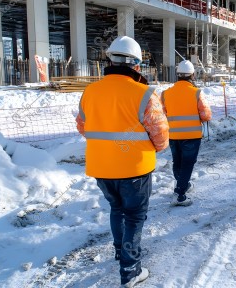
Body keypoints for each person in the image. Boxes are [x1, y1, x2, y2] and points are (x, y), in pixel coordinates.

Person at [75, 36, 169, 288]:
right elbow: (160, 134)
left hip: (101, 167)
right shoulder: (145, 93)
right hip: (134, 169)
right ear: (136, 65)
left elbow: (83, 127)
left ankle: (120, 251)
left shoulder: (90, 91)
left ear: (110, 61)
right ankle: (130, 269)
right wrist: (152, 147)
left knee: (116, 210)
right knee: (135, 216)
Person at [161, 60, 212, 206]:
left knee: (178, 162)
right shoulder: (196, 93)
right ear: (193, 75)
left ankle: (183, 185)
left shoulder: (165, 94)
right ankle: (180, 193)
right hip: (192, 136)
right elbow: (206, 115)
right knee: (188, 163)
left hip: (173, 135)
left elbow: (161, 114)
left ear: (177, 75)